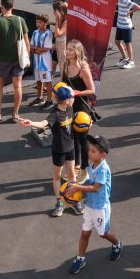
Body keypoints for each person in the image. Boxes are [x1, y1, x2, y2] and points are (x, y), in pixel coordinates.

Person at [18, 84, 80, 217]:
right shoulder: (55, 114)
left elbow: (75, 118)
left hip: (70, 147)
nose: (73, 98)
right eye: (72, 97)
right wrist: (31, 122)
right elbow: (43, 124)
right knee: (57, 176)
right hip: (59, 150)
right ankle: (59, 202)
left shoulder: (70, 108)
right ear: (66, 100)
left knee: (72, 176)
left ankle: (74, 200)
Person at [65, 134, 123, 274]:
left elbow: (96, 188)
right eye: (89, 150)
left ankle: (117, 244)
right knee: (85, 233)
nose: (89, 152)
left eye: (92, 151)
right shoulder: (91, 166)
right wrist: (76, 188)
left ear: (103, 154)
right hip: (89, 206)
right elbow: (89, 184)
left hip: (100, 208)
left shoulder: (103, 169)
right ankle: (80, 258)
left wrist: (78, 188)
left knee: (103, 234)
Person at [58, 39, 98, 177]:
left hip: (81, 107)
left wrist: (77, 92)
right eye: (67, 49)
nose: (66, 51)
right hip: (69, 106)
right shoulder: (64, 64)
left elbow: (92, 90)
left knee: (82, 139)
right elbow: (62, 83)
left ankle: (85, 169)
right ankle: (76, 165)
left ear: (77, 52)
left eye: (70, 49)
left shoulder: (83, 68)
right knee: (71, 138)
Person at [0, 0, 28, 123]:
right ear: (13, 6)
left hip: (3, 60)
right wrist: (26, 57)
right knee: (18, 86)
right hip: (19, 59)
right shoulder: (21, 20)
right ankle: (15, 114)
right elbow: (27, 42)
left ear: (1, 7)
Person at [28, 14, 54, 107]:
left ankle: (49, 101)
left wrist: (36, 50)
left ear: (46, 23)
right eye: (37, 22)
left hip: (45, 63)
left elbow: (46, 48)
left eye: (40, 22)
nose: (38, 24)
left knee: (47, 81)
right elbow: (31, 46)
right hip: (36, 62)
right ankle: (40, 98)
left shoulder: (49, 33)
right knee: (38, 81)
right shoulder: (35, 32)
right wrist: (37, 49)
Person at [114, 0, 140, 69]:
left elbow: (138, 7)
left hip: (126, 26)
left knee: (127, 43)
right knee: (117, 41)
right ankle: (125, 58)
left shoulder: (127, 1)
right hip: (119, 25)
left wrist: (130, 12)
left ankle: (131, 61)